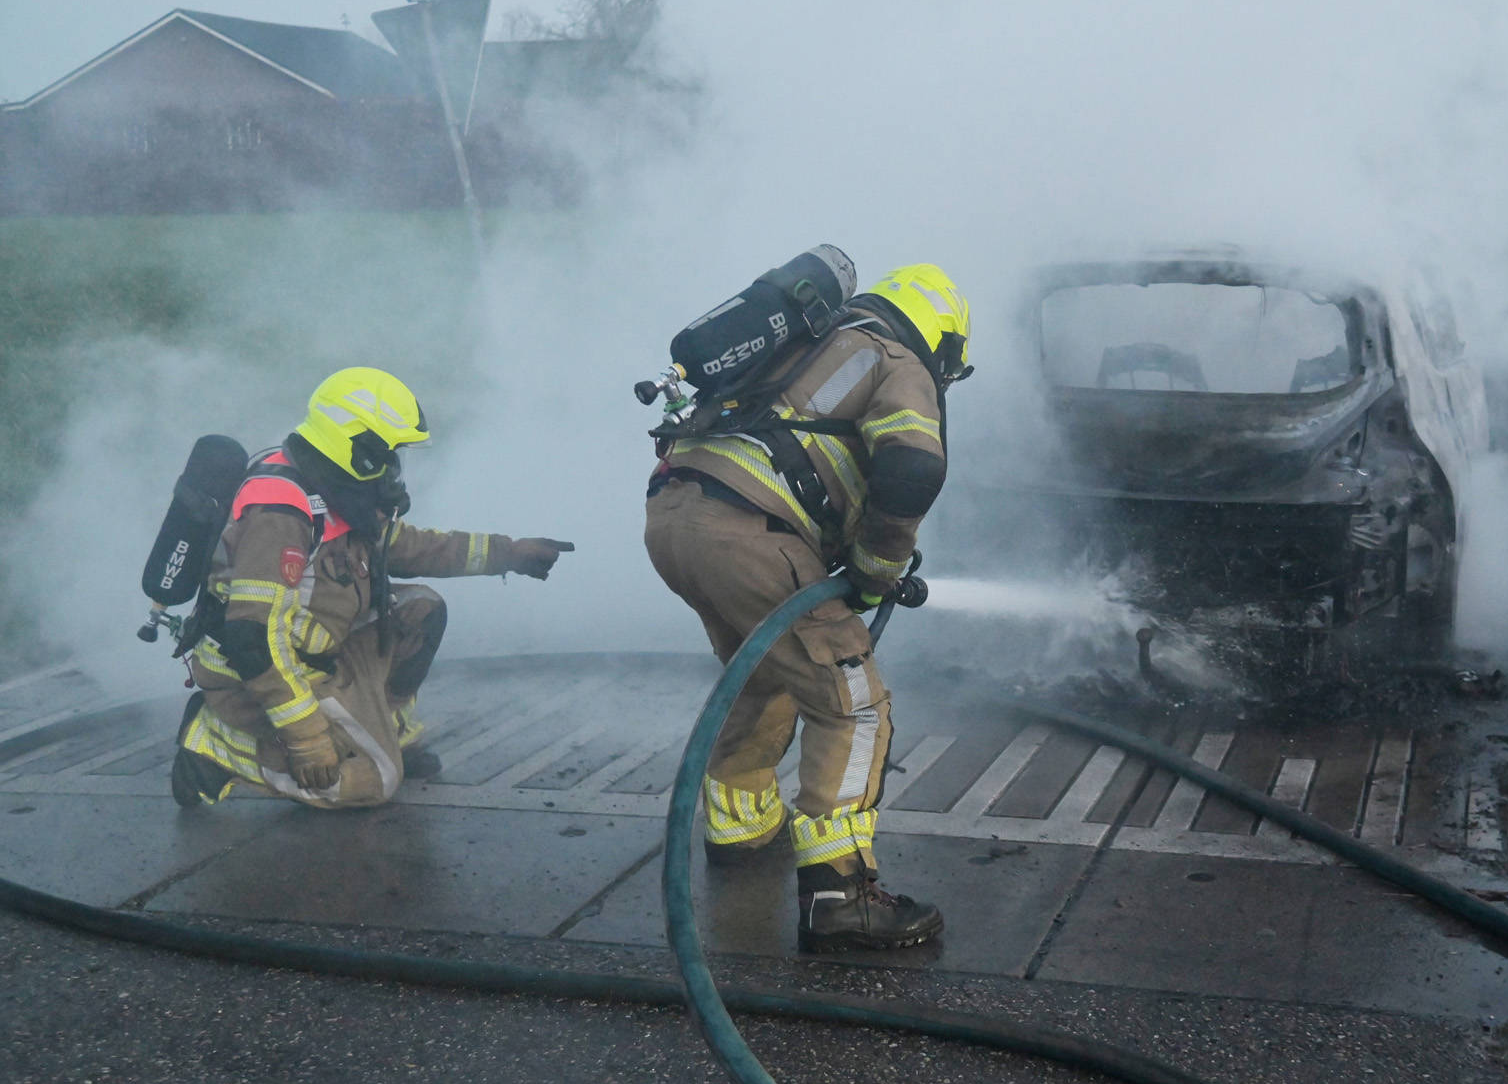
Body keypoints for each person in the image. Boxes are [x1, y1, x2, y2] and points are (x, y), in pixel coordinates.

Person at [645, 256, 972, 952]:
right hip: (747, 534)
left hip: (674, 517)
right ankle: (840, 897)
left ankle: (741, 827)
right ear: (941, 340)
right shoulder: (895, 359)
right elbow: (912, 465)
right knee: (852, 700)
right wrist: (878, 569)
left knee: (767, 670)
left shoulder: (803, 343)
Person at [170, 367, 573, 810]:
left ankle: (385, 728)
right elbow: (253, 638)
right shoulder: (280, 514)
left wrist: (509, 553)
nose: (394, 469)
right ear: (355, 447)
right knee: (374, 781)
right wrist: (306, 735)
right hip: (258, 678)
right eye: (388, 454)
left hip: (316, 648)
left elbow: (409, 547)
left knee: (420, 609)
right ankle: (217, 745)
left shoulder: (330, 484)